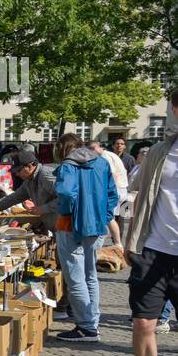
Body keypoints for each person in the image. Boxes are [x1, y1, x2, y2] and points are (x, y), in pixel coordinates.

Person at [114, 87, 178, 356]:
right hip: (152, 250)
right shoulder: (159, 153)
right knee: (142, 323)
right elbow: (136, 199)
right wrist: (129, 240)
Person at [53, 133, 118, 343]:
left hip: (70, 225)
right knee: (90, 275)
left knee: (76, 278)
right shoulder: (101, 162)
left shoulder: (68, 165)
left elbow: (65, 193)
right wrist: (104, 216)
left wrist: (66, 212)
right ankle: (92, 322)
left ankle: (86, 327)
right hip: (95, 226)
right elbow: (112, 194)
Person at [0, 149, 60, 231]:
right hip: (56, 227)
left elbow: (68, 198)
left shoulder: (45, 176)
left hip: (65, 228)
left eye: (18, 170)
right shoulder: (29, 181)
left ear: (30, 166)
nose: (17, 174)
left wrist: (44, 209)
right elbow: (13, 198)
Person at [89, 139, 129, 246]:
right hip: (121, 189)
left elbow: (111, 175)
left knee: (109, 217)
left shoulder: (105, 157)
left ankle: (116, 243)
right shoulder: (111, 155)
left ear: (94, 149)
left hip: (116, 189)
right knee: (110, 217)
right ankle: (115, 242)